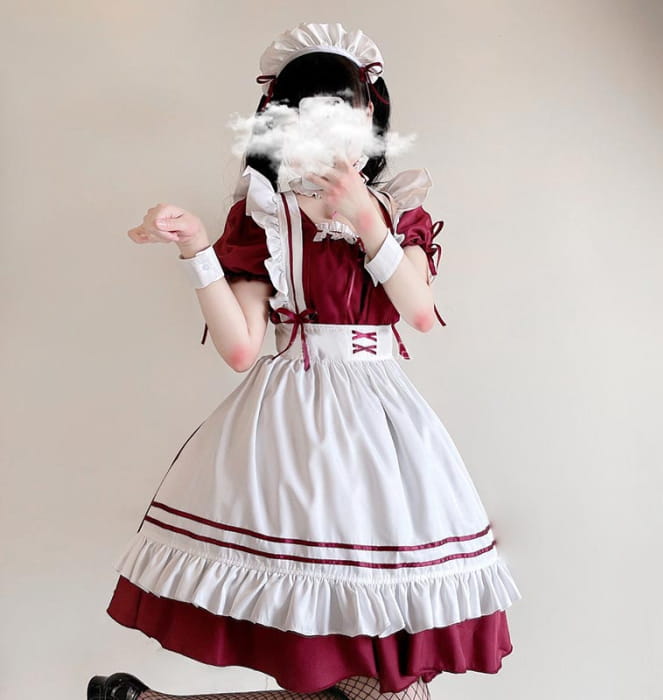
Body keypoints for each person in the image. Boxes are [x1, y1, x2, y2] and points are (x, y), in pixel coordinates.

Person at [89, 22, 521, 700]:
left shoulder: (398, 205)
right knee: (367, 676)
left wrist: (368, 220)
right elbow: (241, 348)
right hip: (299, 440)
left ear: (369, 116)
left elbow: (418, 311)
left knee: (376, 678)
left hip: (386, 441)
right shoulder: (265, 216)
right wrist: (197, 248)